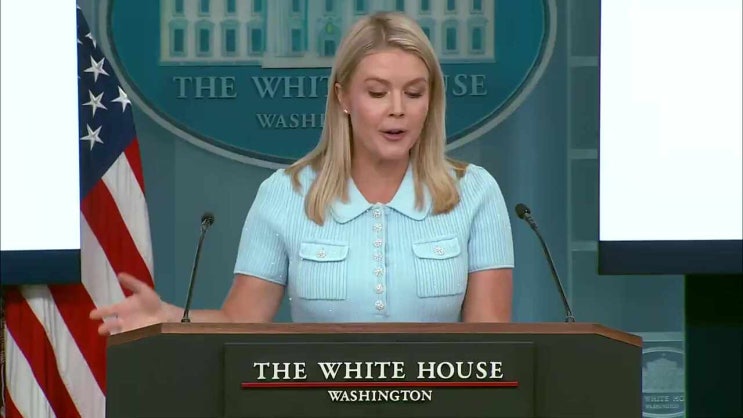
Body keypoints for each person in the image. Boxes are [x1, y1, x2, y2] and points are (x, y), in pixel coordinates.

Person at [90, 11, 514, 335]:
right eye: (377, 92)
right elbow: (241, 320)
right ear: (343, 97)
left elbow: (492, 343)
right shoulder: (285, 193)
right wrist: (167, 317)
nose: (397, 109)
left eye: (414, 93)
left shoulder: (475, 192)